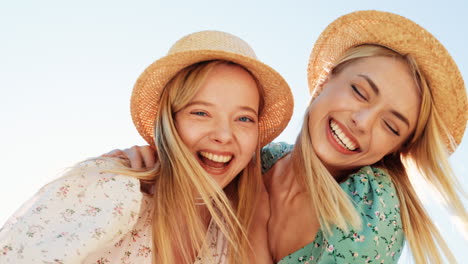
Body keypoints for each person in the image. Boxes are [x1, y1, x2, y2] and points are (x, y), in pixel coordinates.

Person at [110, 11, 468, 263]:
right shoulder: (257, 156)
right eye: (360, 92)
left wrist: (252, 224)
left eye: (391, 126)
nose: (362, 121)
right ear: (325, 81)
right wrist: (154, 159)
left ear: (396, 149)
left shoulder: (371, 217)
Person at [0, 30, 294, 263]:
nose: (223, 135)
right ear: (169, 120)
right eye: (201, 113)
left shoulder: (232, 235)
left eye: (243, 118)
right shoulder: (113, 190)